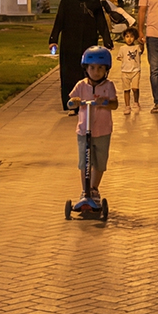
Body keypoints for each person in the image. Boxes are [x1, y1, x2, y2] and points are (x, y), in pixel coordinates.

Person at [50, 0, 113, 114]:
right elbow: (59, 20)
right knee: (70, 74)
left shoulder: (94, 0)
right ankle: (72, 105)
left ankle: (87, 104)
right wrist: (53, 40)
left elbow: (101, 22)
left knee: (88, 73)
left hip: (88, 44)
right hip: (69, 44)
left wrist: (107, 40)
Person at [67, 45, 118, 204]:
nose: (96, 72)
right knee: (84, 161)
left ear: (106, 70)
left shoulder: (108, 86)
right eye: (93, 68)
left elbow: (114, 105)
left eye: (101, 68)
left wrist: (105, 102)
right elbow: (70, 102)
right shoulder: (81, 85)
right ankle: (85, 190)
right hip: (84, 130)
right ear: (86, 68)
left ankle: (94, 188)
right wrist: (73, 102)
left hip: (103, 130)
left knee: (100, 162)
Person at [116, 27, 143, 109]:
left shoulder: (137, 47)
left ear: (135, 37)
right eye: (127, 36)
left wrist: (142, 42)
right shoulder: (122, 48)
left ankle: (136, 102)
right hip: (125, 72)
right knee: (126, 89)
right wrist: (124, 60)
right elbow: (119, 57)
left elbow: (142, 50)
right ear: (124, 38)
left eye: (131, 36)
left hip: (135, 71)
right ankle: (127, 105)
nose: (129, 39)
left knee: (135, 88)